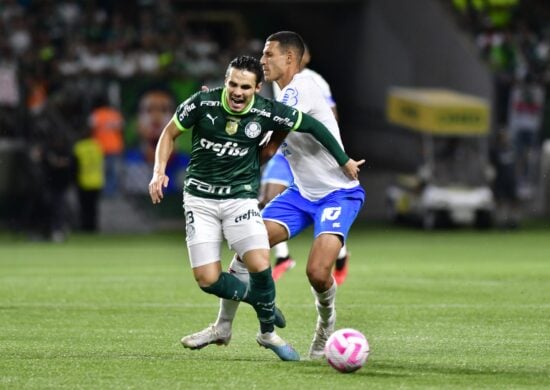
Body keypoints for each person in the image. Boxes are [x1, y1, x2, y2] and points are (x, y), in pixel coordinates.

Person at [148, 55, 363, 361]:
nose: (263, 58)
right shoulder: (219, 102)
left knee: (315, 272)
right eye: (233, 84)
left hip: (335, 194)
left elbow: (307, 124)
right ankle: (226, 325)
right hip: (293, 193)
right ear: (226, 82)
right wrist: (159, 171)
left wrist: (344, 160)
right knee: (236, 261)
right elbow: (175, 132)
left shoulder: (299, 88)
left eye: (269, 53)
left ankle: (322, 328)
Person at [262, 43, 350, 283]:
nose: (265, 60)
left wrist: (334, 149)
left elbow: (329, 114)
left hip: (310, 153)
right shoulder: (275, 80)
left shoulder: (313, 81)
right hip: (287, 149)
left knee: (318, 200)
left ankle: (340, 253)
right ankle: (283, 257)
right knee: (268, 197)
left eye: (270, 54)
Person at [89, 96, 124, 197]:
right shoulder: (115, 115)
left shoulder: (96, 115)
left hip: (98, 148)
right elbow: (121, 128)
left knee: (101, 171)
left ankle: (102, 192)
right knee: (113, 172)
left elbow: (90, 128)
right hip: (114, 147)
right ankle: (111, 193)